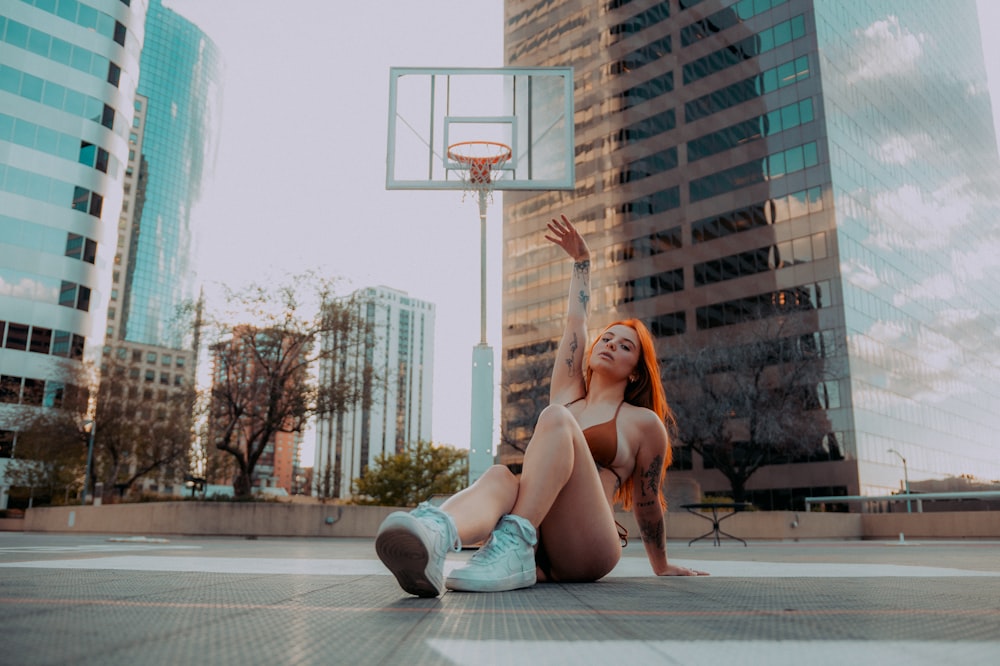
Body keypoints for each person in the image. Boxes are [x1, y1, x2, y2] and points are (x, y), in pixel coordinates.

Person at [375, 215, 708, 596]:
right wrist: (582, 263)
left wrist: (661, 565)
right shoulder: (569, 393)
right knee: (502, 476)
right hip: (537, 543)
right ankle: (435, 535)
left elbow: (648, 502)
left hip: (588, 546)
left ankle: (511, 544)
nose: (611, 345)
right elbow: (576, 322)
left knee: (556, 418)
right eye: (608, 338)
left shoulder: (643, 423)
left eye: (625, 346)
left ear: (636, 372)